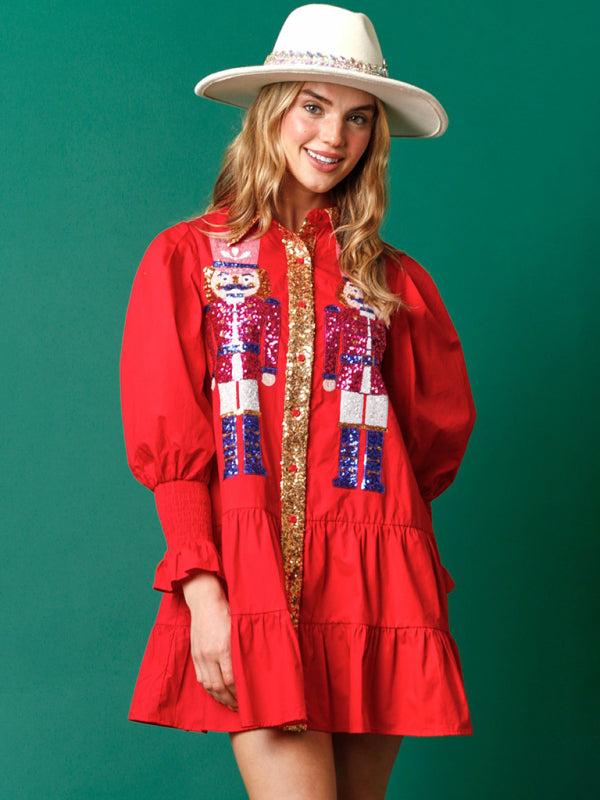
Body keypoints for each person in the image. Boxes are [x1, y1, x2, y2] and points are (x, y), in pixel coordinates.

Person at [120, 5, 476, 799]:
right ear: (273, 110)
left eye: (358, 117)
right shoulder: (187, 258)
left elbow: (431, 441)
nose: (334, 135)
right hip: (250, 579)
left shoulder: (393, 281)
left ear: (374, 137)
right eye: (314, 106)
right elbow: (171, 433)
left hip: (374, 581)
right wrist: (203, 593)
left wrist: (372, 522)